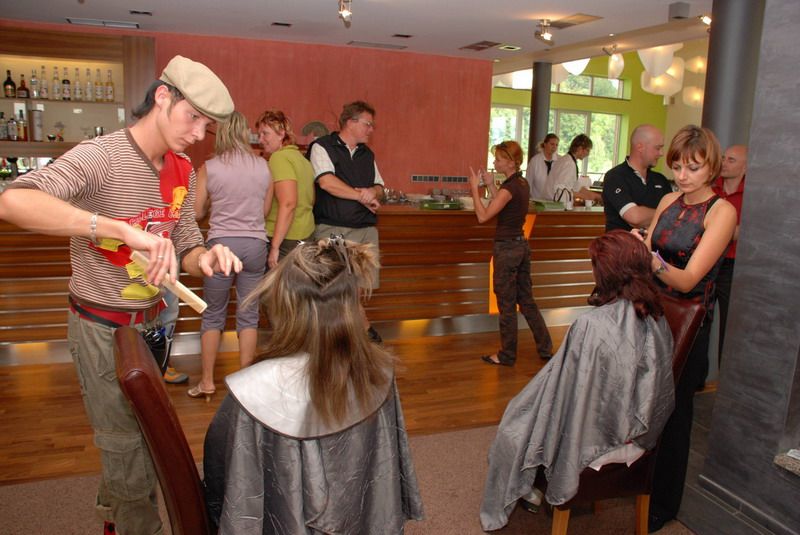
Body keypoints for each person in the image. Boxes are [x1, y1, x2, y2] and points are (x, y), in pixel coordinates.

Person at [0, 55, 241, 535]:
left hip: (153, 325)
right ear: (162, 97)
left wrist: (206, 257)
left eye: (207, 126)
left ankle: (114, 520)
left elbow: (186, 243)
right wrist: (117, 229)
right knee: (126, 446)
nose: (199, 134)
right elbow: (13, 201)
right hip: (100, 327)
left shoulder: (183, 168)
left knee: (139, 439)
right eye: (193, 117)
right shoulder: (102, 156)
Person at [202, 237, 425, 533]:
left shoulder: (252, 392)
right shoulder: (380, 372)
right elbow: (386, 466)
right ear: (353, 307)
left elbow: (222, 475)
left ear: (283, 307)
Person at [480, 230, 675, 531]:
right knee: (524, 414)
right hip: (642, 428)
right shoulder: (656, 315)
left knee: (515, 425)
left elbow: (571, 393)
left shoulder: (591, 325)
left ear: (606, 272)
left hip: (610, 435)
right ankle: (530, 482)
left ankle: (529, 483)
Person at [637, 125, 736, 533]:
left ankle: (664, 503)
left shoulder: (721, 212)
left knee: (674, 415)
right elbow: (647, 251)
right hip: (650, 314)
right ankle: (636, 485)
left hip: (688, 323)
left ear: (711, 166)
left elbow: (689, 278)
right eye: (677, 166)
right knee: (643, 405)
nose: (682, 176)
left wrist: (650, 259)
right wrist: (638, 250)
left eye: (692, 168)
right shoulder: (667, 200)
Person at [188, 111, 272, 401]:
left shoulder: (209, 167)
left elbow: (196, 211)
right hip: (255, 245)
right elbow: (264, 211)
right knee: (248, 316)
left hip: (220, 247)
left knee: (213, 315)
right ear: (245, 132)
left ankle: (207, 382)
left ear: (221, 133)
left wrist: (215, 206)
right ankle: (245, 384)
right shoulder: (263, 166)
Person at [468, 140, 553, 366]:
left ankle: (507, 354)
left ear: (510, 162)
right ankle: (545, 348)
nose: (495, 162)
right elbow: (504, 203)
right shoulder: (521, 183)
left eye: (498, 159)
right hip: (521, 247)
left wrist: (474, 189)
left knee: (506, 303)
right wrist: (490, 185)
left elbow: (483, 216)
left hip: (507, 249)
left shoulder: (509, 188)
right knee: (527, 301)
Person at [308, 100, 385, 342]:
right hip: (334, 228)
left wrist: (372, 192)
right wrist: (361, 196)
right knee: (336, 287)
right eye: (368, 124)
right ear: (350, 122)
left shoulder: (367, 154)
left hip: (366, 230)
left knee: (359, 288)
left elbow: (380, 186)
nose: (371, 129)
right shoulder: (322, 147)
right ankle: (362, 332)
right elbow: (326, 182)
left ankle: (356, 334)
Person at [256, 109, 315, 268]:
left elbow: (289, 203)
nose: (261, 139)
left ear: (281, 133)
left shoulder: (279, 158)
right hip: (305, 234)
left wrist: (275, 247)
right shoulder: (301, 159)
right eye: (259, 134)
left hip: (285, 240)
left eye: (265, 134)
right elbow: (310, 199)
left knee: (274, 284)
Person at [711, 144, 747, 363]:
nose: (723, 162)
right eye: (724, 158)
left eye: (731, 160)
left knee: (729, 327)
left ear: (746, 167)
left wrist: (713, 229)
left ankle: (724, 378)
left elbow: (747, 231)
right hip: (707, 262)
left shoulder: (753, 195)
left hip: (733, 266)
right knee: (698, 321)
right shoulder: (710, 188)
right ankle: (693, 378)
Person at [603, 124, 672, 232]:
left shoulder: (661, 180)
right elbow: (634, 218)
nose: (661, 153)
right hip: (622, 242)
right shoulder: (615, 177)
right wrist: (666, 214)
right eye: (657, 148)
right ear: (640, 147)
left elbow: (676, 217)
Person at [544, 133, 602, 203]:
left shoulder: (567, 159)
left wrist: (596, 196)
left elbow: (576, 186)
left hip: (552, 202)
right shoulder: (569, 163)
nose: (588, 154)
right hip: (554, 205)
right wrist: (583, 196)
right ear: (580, 148)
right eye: (587, 150)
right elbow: (561, 189)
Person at [527, 133, 559, 200]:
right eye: (552, 144)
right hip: (536, 200)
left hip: (555, 201)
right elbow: (528, 182)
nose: (554, 147)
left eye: (556, 145)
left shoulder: (560, 160)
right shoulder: (534, 161)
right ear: (545, 144)